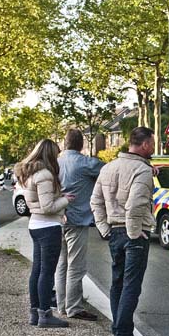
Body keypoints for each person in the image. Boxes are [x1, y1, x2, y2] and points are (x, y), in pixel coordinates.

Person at [91, 127, 155, 336]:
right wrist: (135, 233)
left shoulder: (108, 168)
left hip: (114, 232)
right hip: (134, 233)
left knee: (117, 282)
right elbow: (135, 204)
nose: (154, 148)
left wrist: (104, 228)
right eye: (153, 143)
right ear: (145, 144)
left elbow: (95, 200)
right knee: (131, 285)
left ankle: (118, 329)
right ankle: (124, 334)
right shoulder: (142, 170)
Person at [14, 139, 74, 328]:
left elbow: (40, 203)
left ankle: (34, 312)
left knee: (37, 270)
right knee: (47, 272)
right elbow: (48, 207)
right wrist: (66, 200)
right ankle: (45, 314)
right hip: (48, 227)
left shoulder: (30, 173)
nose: (57, 158)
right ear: (49, 154)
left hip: (35, 225)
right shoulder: (45, 174)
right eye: (56, 154)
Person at [54, 128, 103, 322]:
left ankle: (61, 305)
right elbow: (108, 169)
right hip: (77, 219)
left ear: (64, 143)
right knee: (76, 265)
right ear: (81, 144)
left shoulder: (55, 162)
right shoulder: (84, 163)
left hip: (58, 218)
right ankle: (74, 307)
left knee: (61, 264)